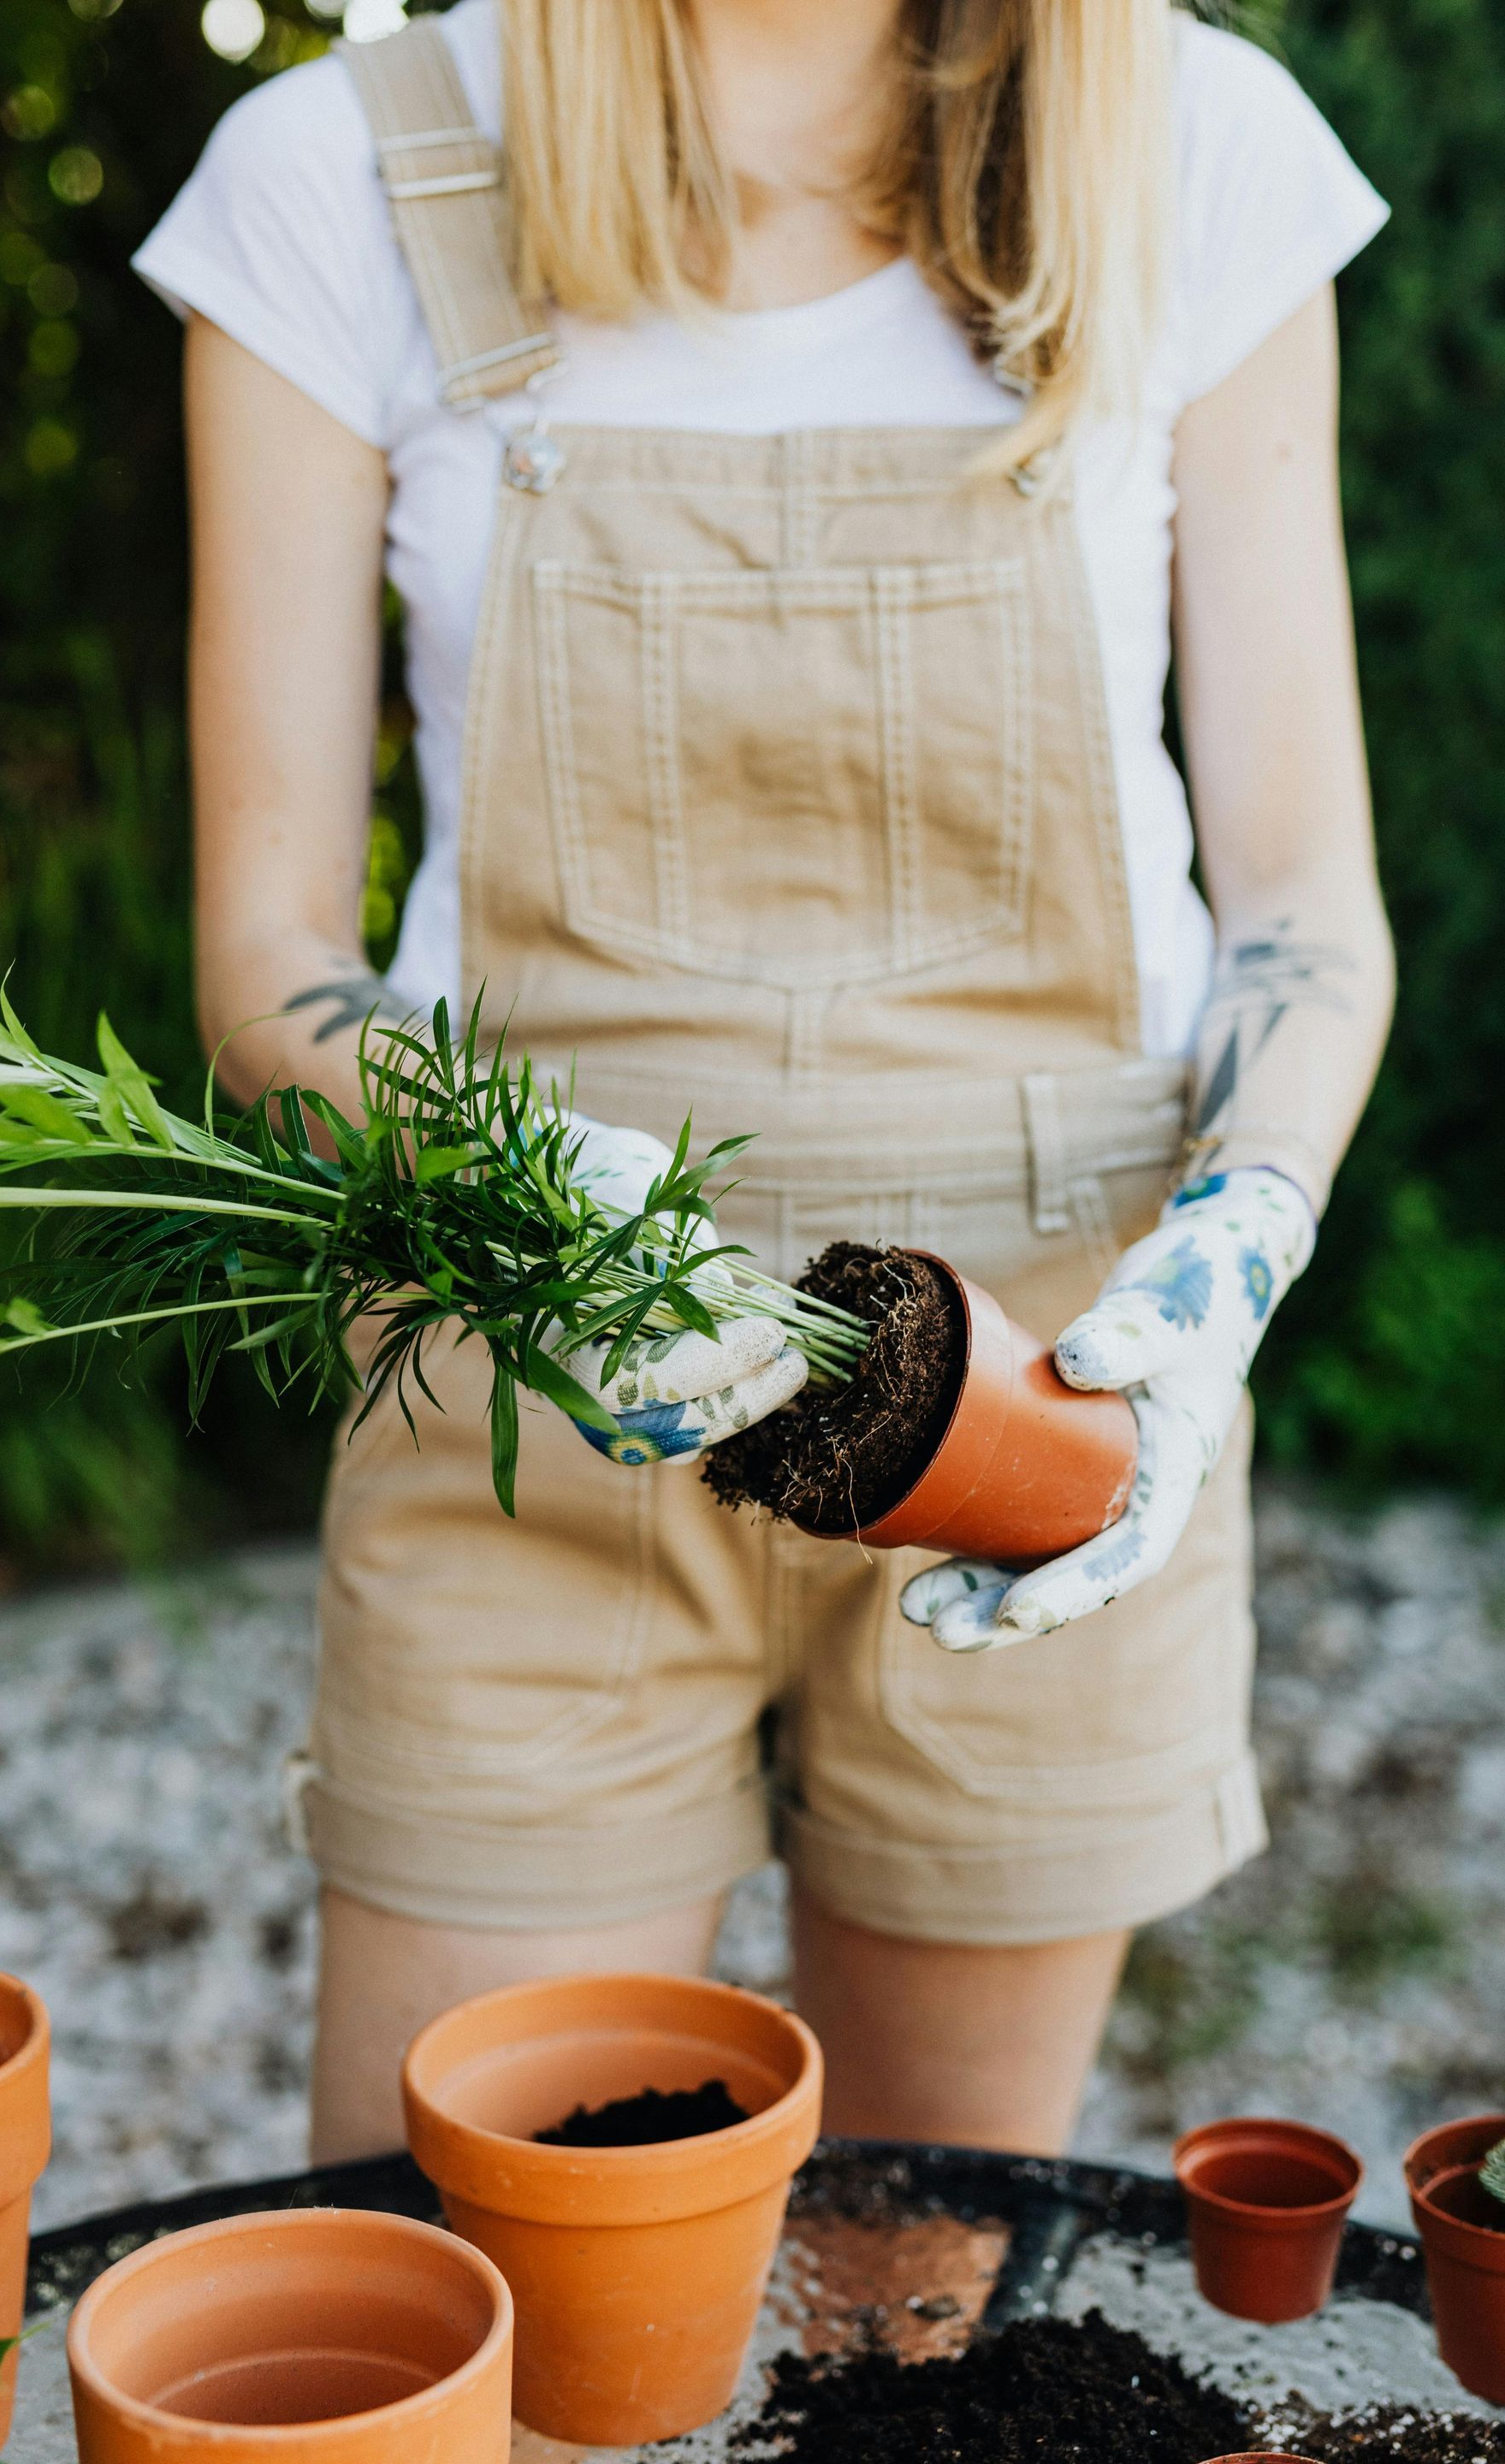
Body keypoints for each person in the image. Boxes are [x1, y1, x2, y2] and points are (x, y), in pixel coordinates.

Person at [134, 0, 1394, 2165]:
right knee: (484, 2306)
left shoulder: (1191, 147)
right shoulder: (344, 175)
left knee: (941, 2317)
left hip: (1056, 1385)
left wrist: (1228, 1265)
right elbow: (271, 957)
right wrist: (544, 1212)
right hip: (525, 1375)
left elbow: (1303, 899)